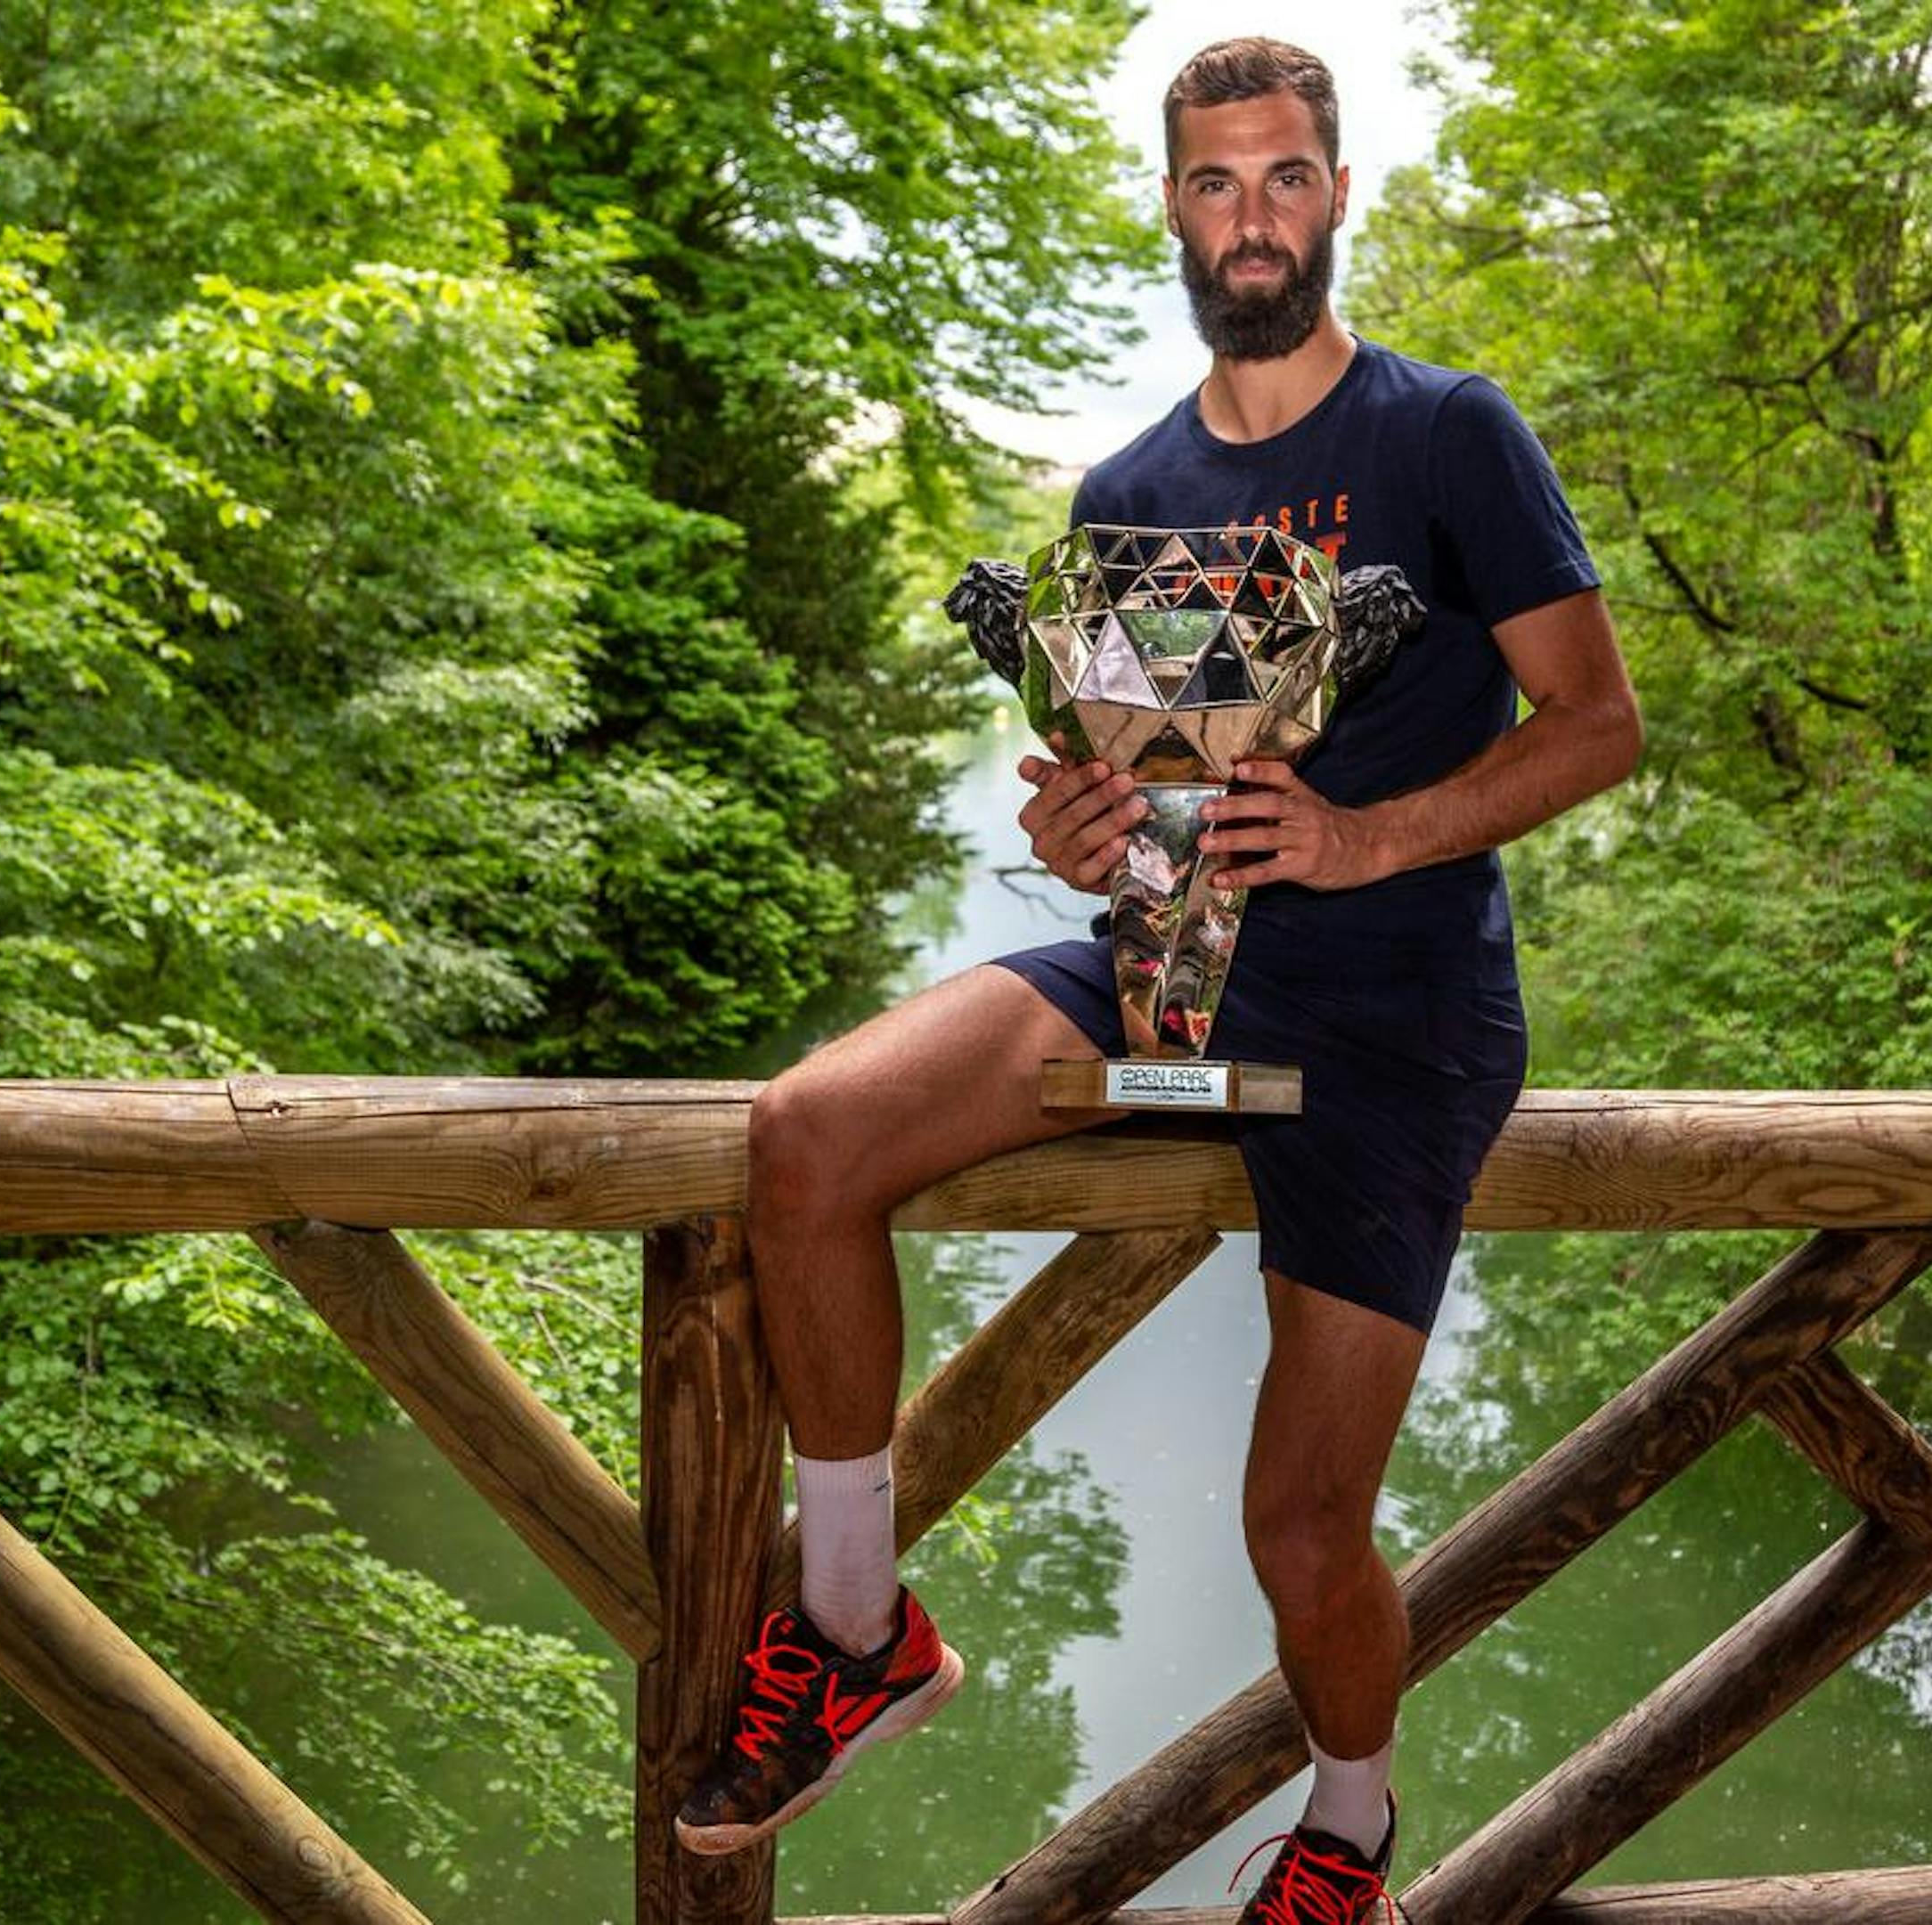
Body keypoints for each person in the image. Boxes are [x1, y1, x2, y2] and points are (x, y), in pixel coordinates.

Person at [674, 35, 1639, 1923]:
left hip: (1397, 1016)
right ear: (1175, 209)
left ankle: (1348, 1831)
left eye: (1286, 177)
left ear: (1338, 192)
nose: (1251, 218)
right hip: (1174, 959)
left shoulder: (1450, 434)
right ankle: (859, 1627)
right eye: (1215, 182)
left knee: (1295, 1521)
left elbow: (1596, 725)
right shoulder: (1130, 485)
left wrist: (1365, 835)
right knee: (804, 1133)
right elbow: (1152, 803)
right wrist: (1092, 836)